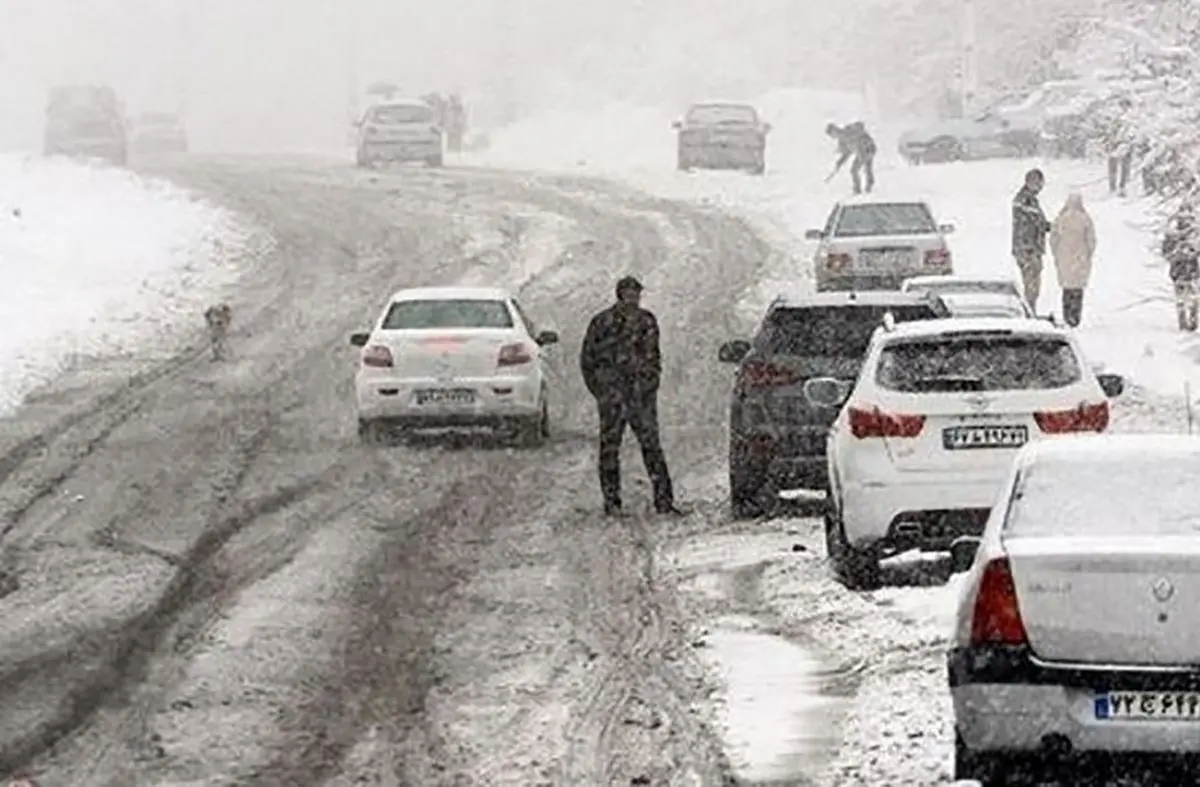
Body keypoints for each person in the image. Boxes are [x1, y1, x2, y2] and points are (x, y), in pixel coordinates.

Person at [579, 276, 683, 517]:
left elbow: (654, 358)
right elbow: (588, 359)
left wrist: (648, 386)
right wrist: (602, 391)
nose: (632, 298)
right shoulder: (602, 322)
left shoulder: (646, 321)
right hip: (613, 397)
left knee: (651, 447)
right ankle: (612, 502)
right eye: (628, 293)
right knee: (609, 450)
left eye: (636, 294)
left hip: (640, 397)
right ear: (620, 295)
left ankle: (664, 501)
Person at [1048, 193, 1096, 327]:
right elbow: (1091, 240)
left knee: (1067, 290)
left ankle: (1067, 314)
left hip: (1064, 259)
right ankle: (1075, 316)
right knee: (1078, 290)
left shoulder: (1060, 219)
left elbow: (1053, 239)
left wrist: (1057, 254)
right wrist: (1088, 254)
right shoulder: (1085, 219)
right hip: (1080, 259)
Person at [1012, 168, 1052, 312]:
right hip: (1028, 249)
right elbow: (1035, 222)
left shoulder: (1029, 199)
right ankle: (1029, 311)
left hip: (1029, 248)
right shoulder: (1025, 200)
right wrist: (1052, 226)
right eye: (1037, 183)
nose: (1040, 186)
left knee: (1033, 283)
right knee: (1031, 284)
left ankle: (1030, 310)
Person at [1163, 201, 1200, 332]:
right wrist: (1176, 254)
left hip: (1193, 270)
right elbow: (1166, 251)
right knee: (1181, 297)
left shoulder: (1196, 233)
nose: (1186, 220)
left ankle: (1193, 319)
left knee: (1194, 295)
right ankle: (1183, 320)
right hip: (1178, 271)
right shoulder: (1173, 233)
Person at [825, 122, 877, 195]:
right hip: (863, 151)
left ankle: (859, 189)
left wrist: (862, 146)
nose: (833, 137)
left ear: (835, 130)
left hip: (867, 149)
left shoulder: (848, 131)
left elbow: (860, 129)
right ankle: (868, 184)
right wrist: (839, 163)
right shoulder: (842, 141)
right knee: (863, 168)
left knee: (856, 169)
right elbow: (846, 153)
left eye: (832, 134)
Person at [1102, 98, 1134, 197]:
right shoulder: (1115, 117)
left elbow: (1132, 132)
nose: (1124, 107)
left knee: (1125, 167)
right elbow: (1109, 131)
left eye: (1126, 105)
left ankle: (1122, 187)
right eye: (1122, 105)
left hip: (1126, 144)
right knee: (1112, 166)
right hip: (1113, 145)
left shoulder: (1131, 118)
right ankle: (1112, 187)